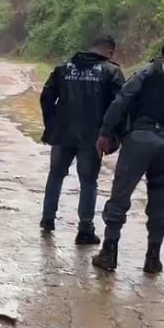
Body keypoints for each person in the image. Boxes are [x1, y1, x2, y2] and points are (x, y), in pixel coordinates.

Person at [92, 38, 164, 274]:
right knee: (160, 198)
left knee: (120, 196)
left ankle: (109, 253)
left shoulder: (152, 69)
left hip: (141, 138)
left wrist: (105, 132)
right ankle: (153, 258)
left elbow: (123, 98)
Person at [39, 34, 126, 244]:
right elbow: (120, 105)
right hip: (92, 136)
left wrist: (52, 124)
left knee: (56, 175)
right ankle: (85, 229)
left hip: (62, 133)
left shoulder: (64, 67)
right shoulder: (111, 71)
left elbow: (46, 97)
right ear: (110, 52)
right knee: (88, 182)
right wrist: (113, 135)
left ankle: (47, 219)